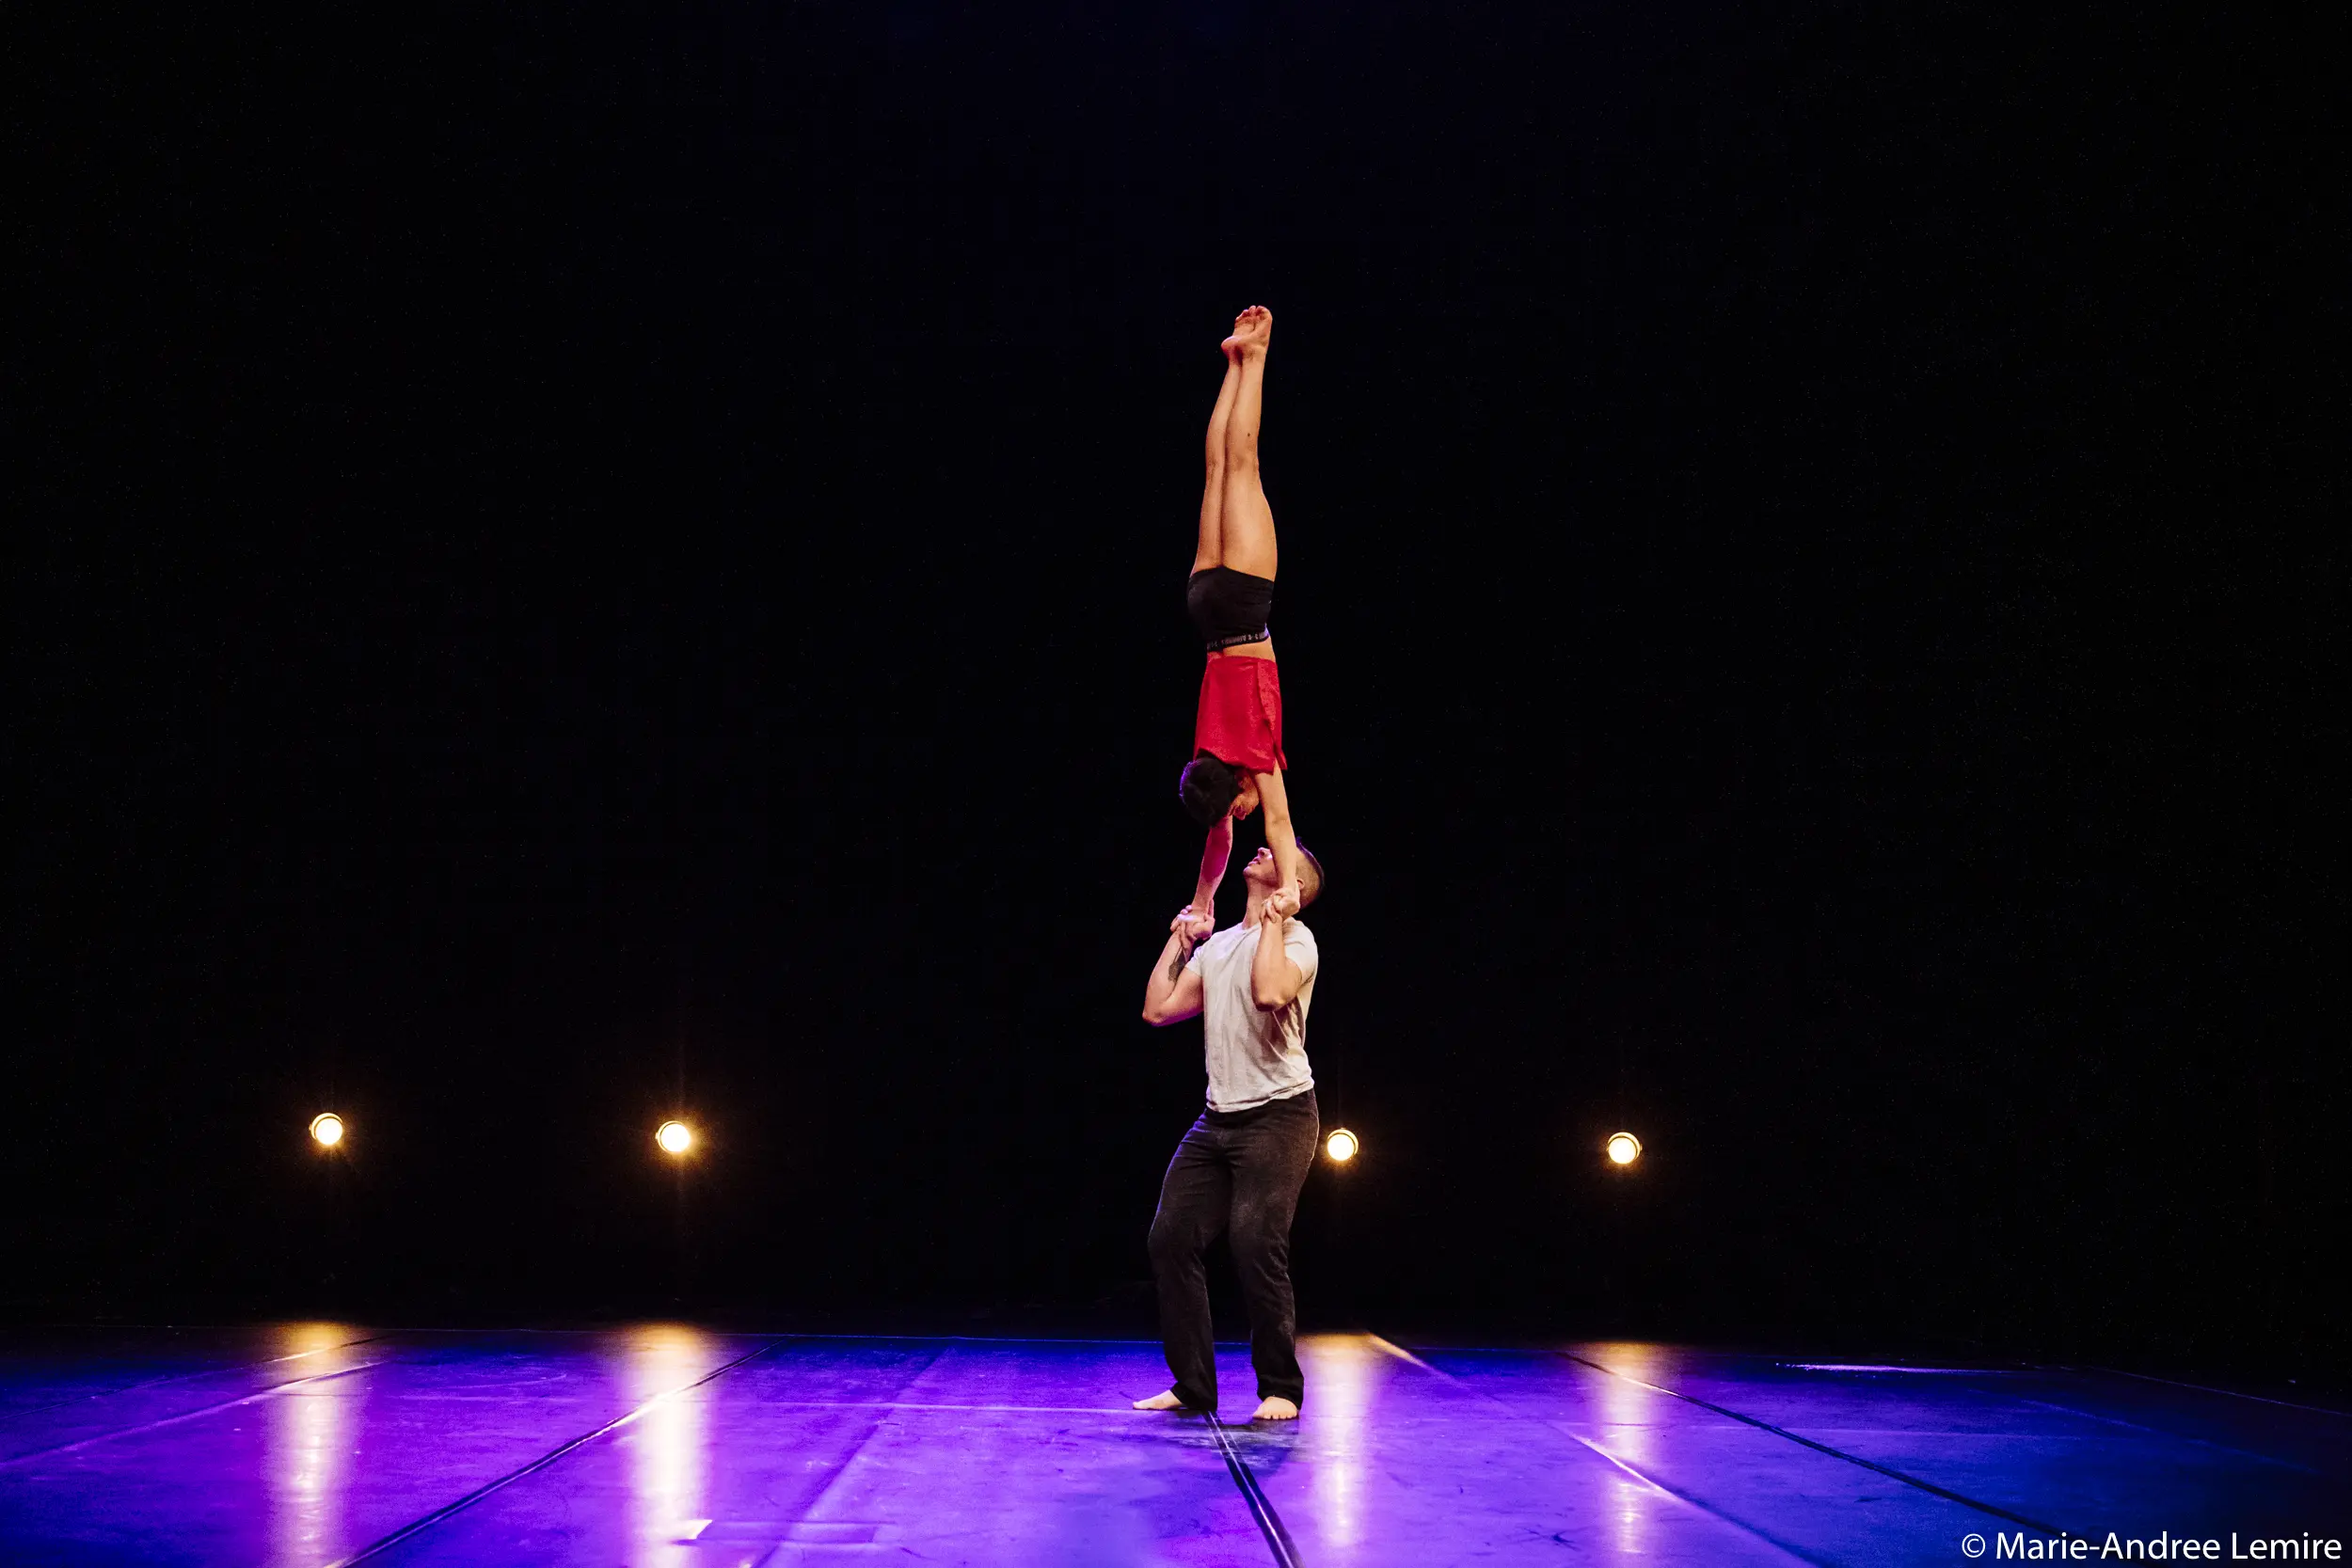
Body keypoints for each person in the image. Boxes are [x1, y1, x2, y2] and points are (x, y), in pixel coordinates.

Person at [1134, 839, 1327, 1420]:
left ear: (1297, 886)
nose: (1266, 847)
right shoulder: (1218, 947)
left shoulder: (1298, 941)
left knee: (1253, 1242)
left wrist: (1275, 918)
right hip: (1218, 1118)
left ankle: (1281, 1387)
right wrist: (1183, 934)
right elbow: (1158, 1008)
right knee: (1169, 1238)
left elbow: (1269, 993)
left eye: (1281, 855)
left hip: (1280, 1114)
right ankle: (1193, 1386)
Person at [1179, 306, 1305, 926]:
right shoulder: (1208, 752)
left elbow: (1278, 821)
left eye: (1238, 811)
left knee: (1242, 468)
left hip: (1245, 605)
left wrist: (1289, 891)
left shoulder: (1253, 754)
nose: (1245, 813)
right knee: (1216, 472)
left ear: (1234, 799)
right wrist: (1202, 903)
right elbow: (1216, 850)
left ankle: (1253, 357)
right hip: (1203, 605)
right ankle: (1231, 362)